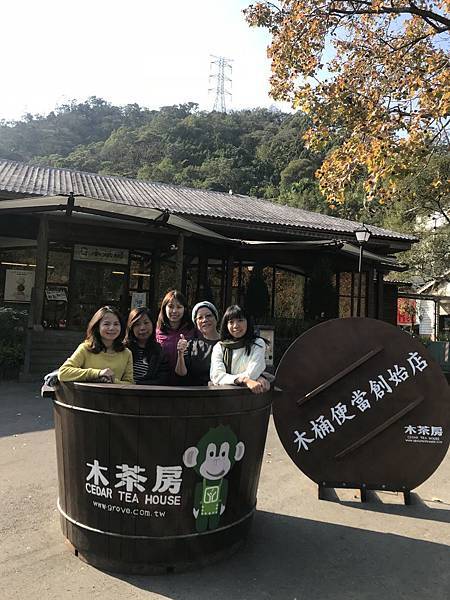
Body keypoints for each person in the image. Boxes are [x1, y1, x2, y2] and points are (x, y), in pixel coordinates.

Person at [58, 306, 133, 384]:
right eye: (106, 324)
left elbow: (130, 383)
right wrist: (98, 373)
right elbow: (63, 372)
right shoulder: (85, 348)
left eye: (116, 324)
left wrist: (112, 381)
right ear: (97, 327)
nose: (111, 328)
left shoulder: (126, 353)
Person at [210, 305, 270, 394]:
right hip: (223, 397)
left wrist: (254, 377)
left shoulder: (257, 344)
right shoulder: (219, 347)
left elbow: (253, 372)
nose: (235, 326)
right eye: (231, 322)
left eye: (240, 320)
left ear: (248, 322)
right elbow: (217, 376)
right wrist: (243, 380)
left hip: (249, 397)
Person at [175, 301, 220, 386]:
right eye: (200, 318)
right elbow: (181, 373)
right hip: (197, 392)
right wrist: (180, 354)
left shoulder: (226, 344)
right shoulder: (191, 345)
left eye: (209, 316)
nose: (204, 320)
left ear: (216, 318)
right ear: (196, 323)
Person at [155, 290, 195, 384]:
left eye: (179, 307)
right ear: (164, 308)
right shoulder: (156, 331)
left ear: (185, 309)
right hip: (161, 384)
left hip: (188, 385)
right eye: (170, 306)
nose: (174, 311)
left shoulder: (193, 331)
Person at [125, 307, 169, 385]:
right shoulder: (123, 349)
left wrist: (138, 384)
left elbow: (162, 379)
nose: (142, 328)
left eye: (146, 323)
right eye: (137, 324)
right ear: (131, 327)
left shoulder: (159, 351)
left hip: (149, 391)